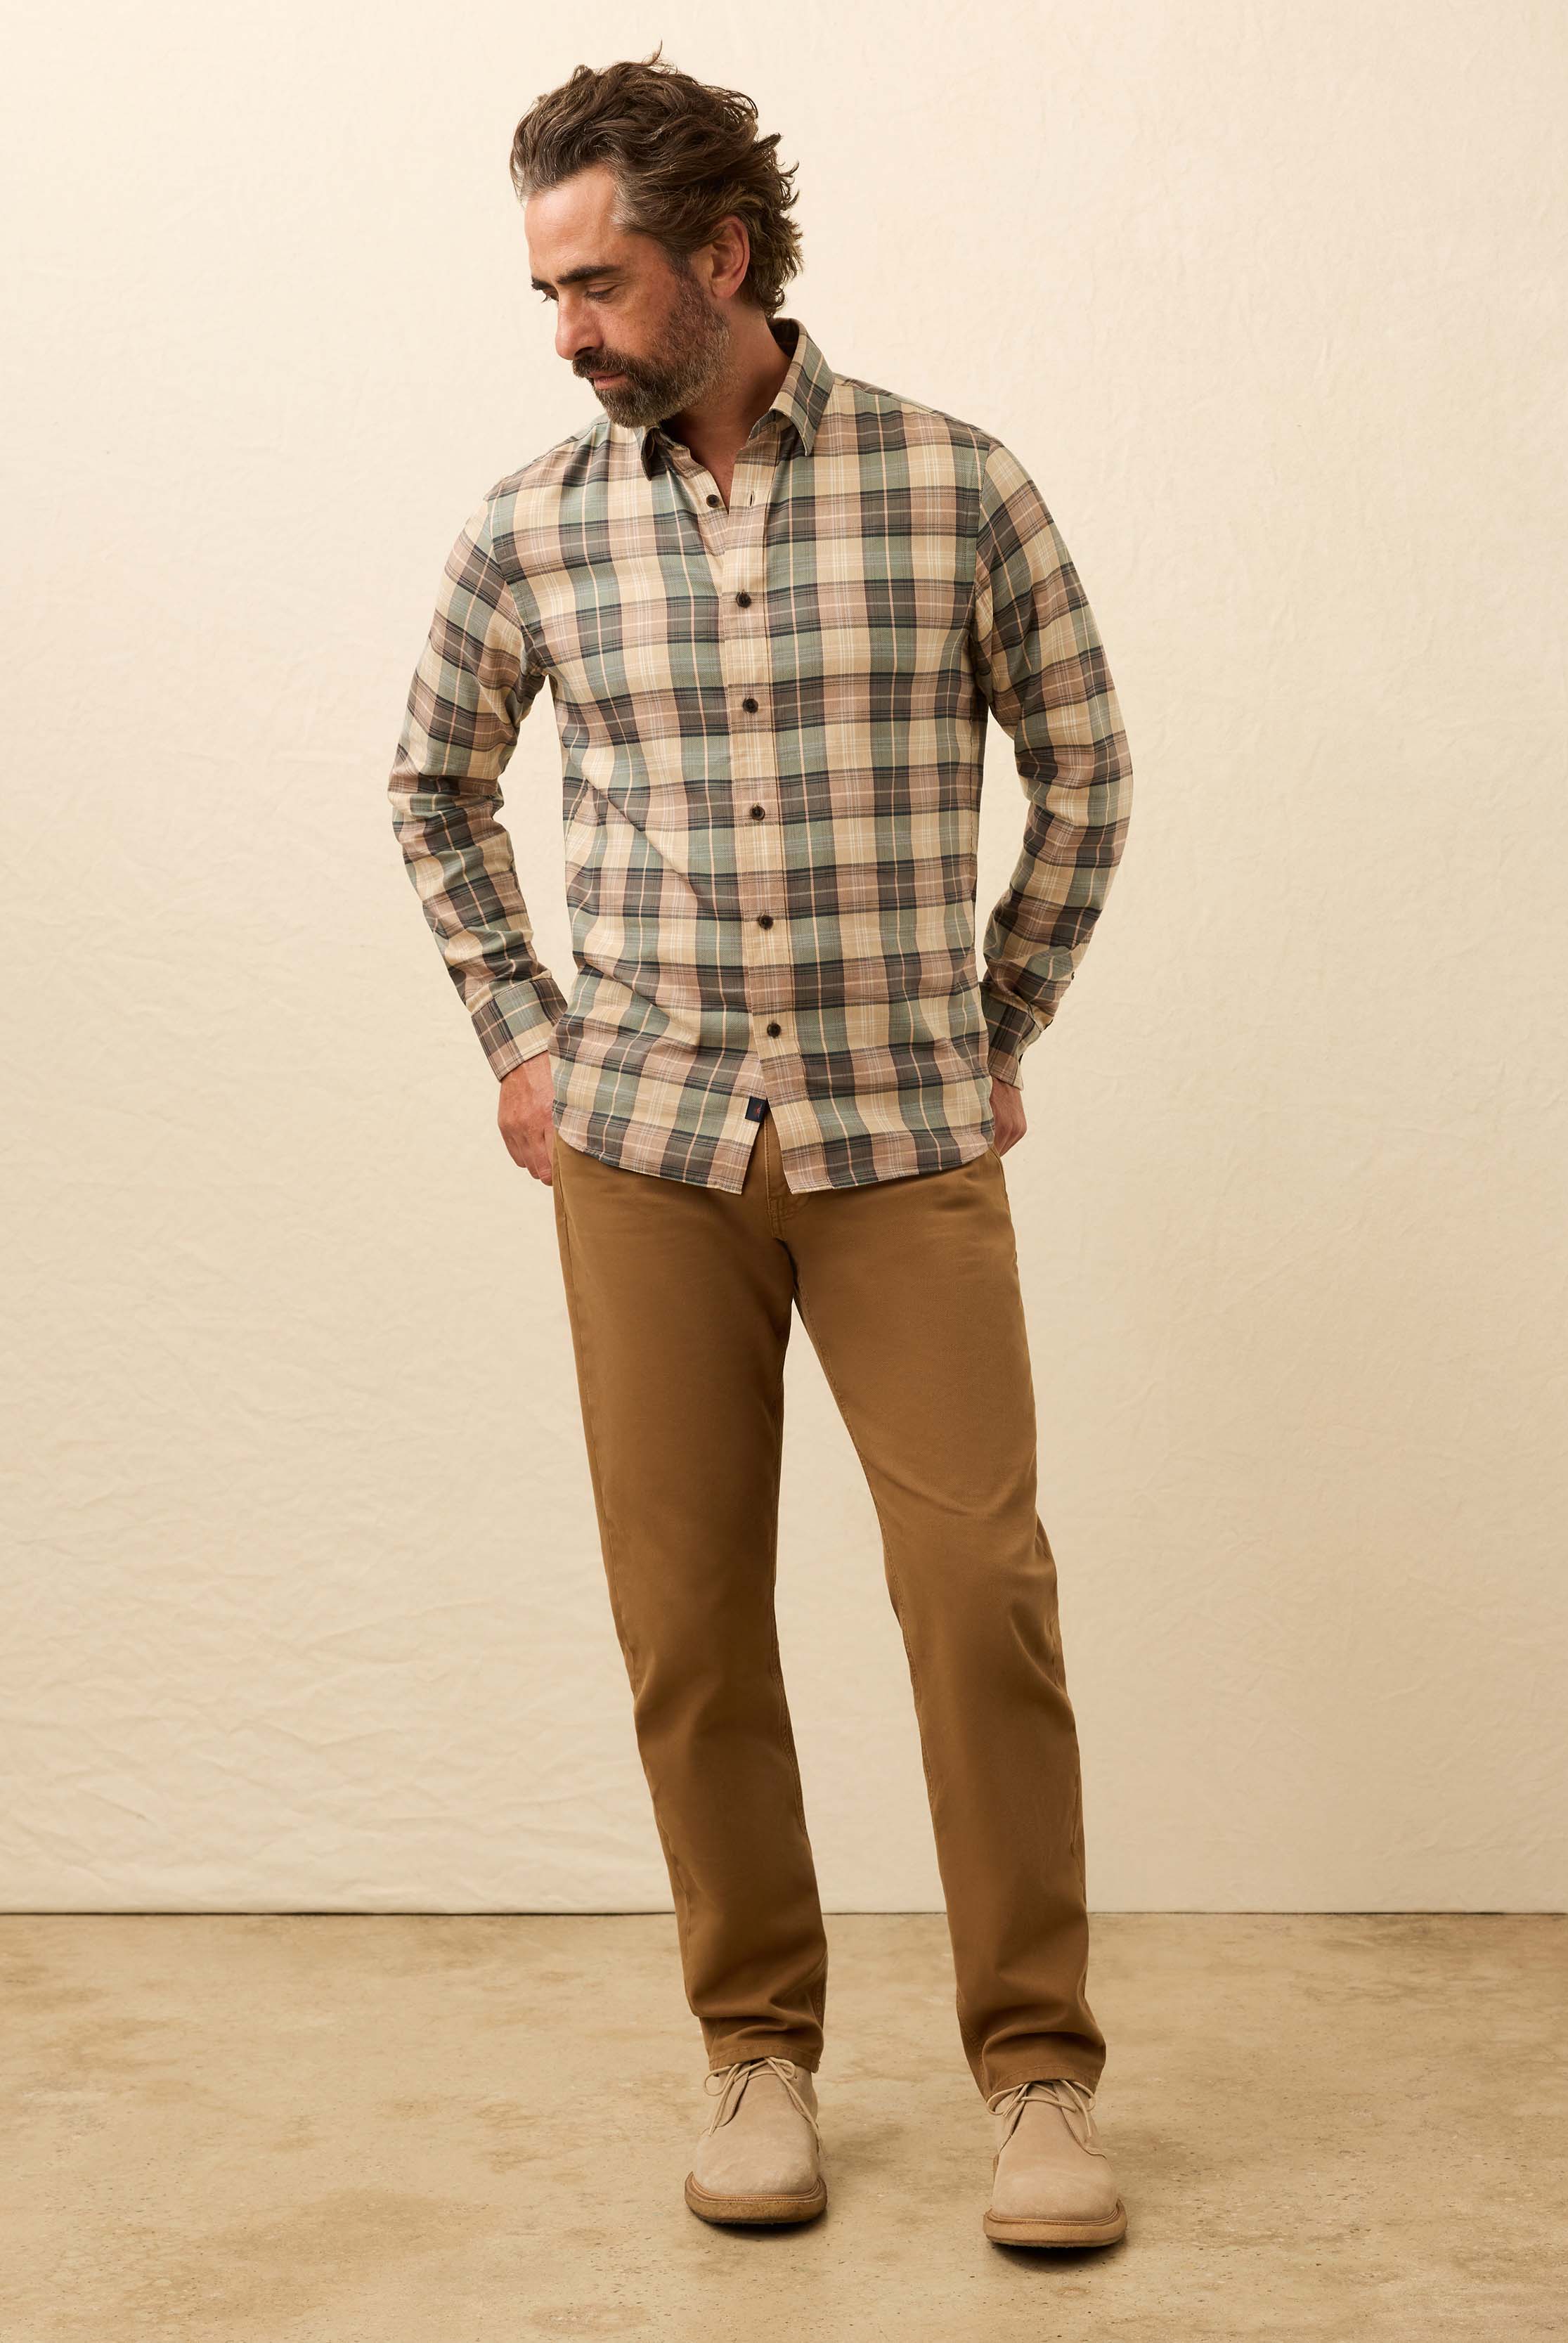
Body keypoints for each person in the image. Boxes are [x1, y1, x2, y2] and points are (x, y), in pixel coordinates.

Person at [387, 45, 1134, 2250]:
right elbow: (430, 787)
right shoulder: (529, 521)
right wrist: (525, 1040)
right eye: (549, 291)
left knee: (974, 1593)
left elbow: (1086, 770)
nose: (569, 331)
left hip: (904, 1146)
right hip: (640, 1152)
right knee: (689, 1617)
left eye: (601, 283)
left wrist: (995, 1022)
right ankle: (757, 2052)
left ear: (722, 258)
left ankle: (1037, 2080)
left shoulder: (954, 484)